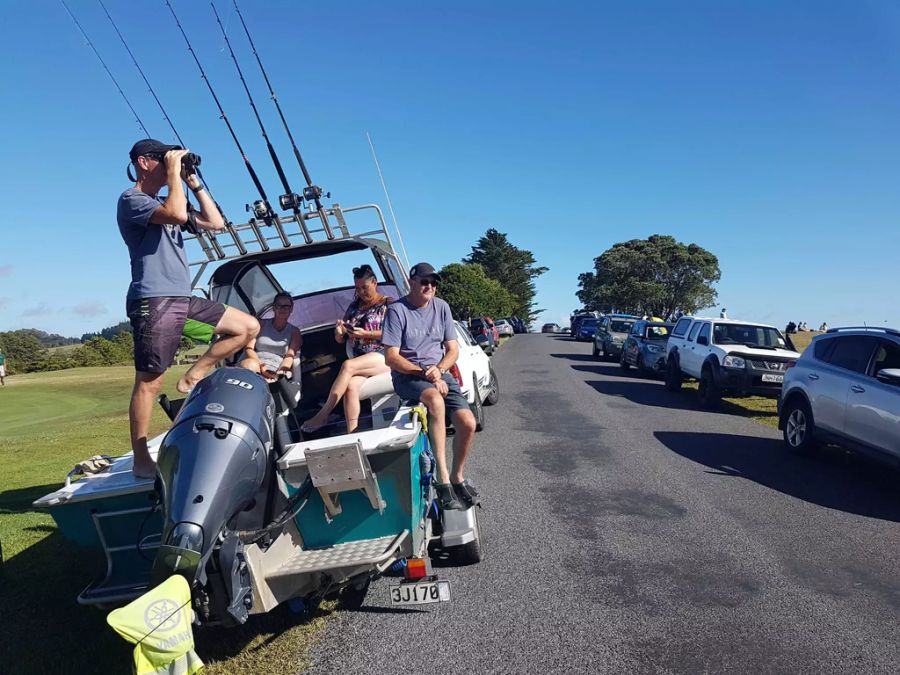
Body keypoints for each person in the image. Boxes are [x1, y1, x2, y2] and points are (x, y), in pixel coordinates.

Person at [119, 139, 260, 478]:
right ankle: (141, 459)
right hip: (154, 299)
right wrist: (174, 176)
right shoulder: (132, 200)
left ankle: (192, 377)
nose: (172, 163)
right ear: (143, 162)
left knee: (247, 327)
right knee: (149, 383)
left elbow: (215, 223)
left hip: (181, 297)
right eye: (162, 157)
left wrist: (192, 181)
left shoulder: (168, 200)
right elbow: (177, 214)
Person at [382, 262, 477, 510]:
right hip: (408, 376)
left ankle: (457, 476)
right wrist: (427, 373)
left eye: (433, 283)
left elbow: (453, 350)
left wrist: (440, 371)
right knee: (435, 400)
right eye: (424, 282)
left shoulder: (442, 307)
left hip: (439, 372)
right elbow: (391, 357)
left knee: (468, 423)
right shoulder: (397, 310)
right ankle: (442, 481)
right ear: (412, 283)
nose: (430, 287)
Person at [302, 265, 392, 433]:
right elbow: (340, 338)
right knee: (351, 387)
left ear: (374, 283)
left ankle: (323, 415)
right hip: (362, 359)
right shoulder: (354, 306)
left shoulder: (389, 304)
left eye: (364, 288)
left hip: (384, 355)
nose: (361, 293)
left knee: (347, 366)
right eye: (357, 289)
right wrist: (339, 332)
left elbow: (395, 333)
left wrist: (367, 333)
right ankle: (353, 433)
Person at [240, 291, 302, 383]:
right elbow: (249, 348)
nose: (282, 309)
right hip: (254, 362)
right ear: (273, 308)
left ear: (291, 309)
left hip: (276, 368)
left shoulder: (295, 332)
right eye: (279, 305)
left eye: (286, 306)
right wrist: (260, 366)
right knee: (249, 366)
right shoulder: (260, 324)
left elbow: (290, 356)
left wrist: (280, 373)